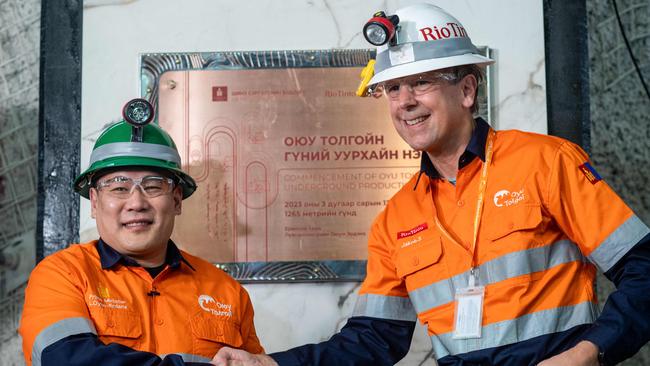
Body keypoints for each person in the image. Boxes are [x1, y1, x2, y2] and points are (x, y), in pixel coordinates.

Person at [214, 4, 650, 366]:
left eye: (421, 82)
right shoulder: (396, 219)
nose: (405, 102)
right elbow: (372, 339)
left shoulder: (545, 162)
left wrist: (589, 353)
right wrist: (270, 363)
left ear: (465, 90)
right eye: (393, 88)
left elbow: (644, 271)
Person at [19, 99, 264, 366]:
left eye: (154, 185)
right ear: (95, 201)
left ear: (177, 199)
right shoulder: (63, 276)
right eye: (118, 187)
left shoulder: (227, 292)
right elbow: (67, 360)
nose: (136, 203)